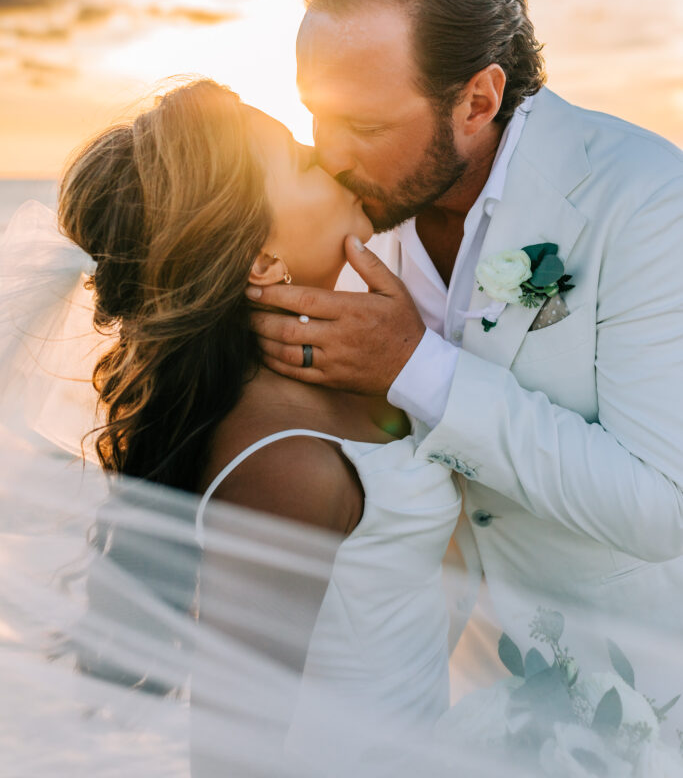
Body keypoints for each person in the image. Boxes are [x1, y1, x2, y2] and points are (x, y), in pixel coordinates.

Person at [248, 0, 683, 705]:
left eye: (363, 123)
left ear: (478, 101)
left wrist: (416, 366)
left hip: (631, 696)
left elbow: (663, 506)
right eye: (313, 112)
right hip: (445, 699)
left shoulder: (644, 199)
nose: (329, 152)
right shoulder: (335, 218)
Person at [20, 77, 462, 769]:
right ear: (261, 261)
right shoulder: (283, 466)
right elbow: (234, 753)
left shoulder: (324, 379)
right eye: (302, 162)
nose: (330, 157)